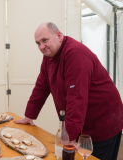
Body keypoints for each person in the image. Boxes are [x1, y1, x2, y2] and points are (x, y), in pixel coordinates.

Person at [14, 22, 123, 160]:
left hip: (103, 118)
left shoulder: (75, 54)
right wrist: (29, 115)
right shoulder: (49, 56)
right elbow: (41, 86)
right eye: (38, 43)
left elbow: (76, 99)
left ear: (58, 35)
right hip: (83, 119)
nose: (41, 47)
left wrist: (69, 137)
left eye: (44, 40)